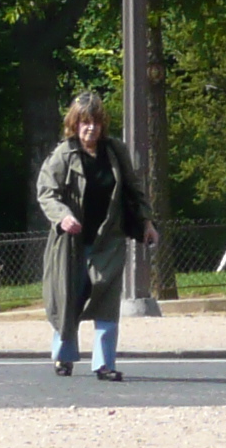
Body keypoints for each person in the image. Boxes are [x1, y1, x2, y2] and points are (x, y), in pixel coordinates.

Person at [36, 88, 156, 381]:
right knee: (69, 298)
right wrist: (63, 216)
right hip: (71, 244)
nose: (91, 128)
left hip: (109, 240)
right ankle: (63, 356)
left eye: (96, 122)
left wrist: (147, 222)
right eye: (85, 122)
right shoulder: (63, 154)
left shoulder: (115, 151)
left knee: (107, 299)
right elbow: (46, 193)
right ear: (75, 124)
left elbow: (133, 189)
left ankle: (104, 364)